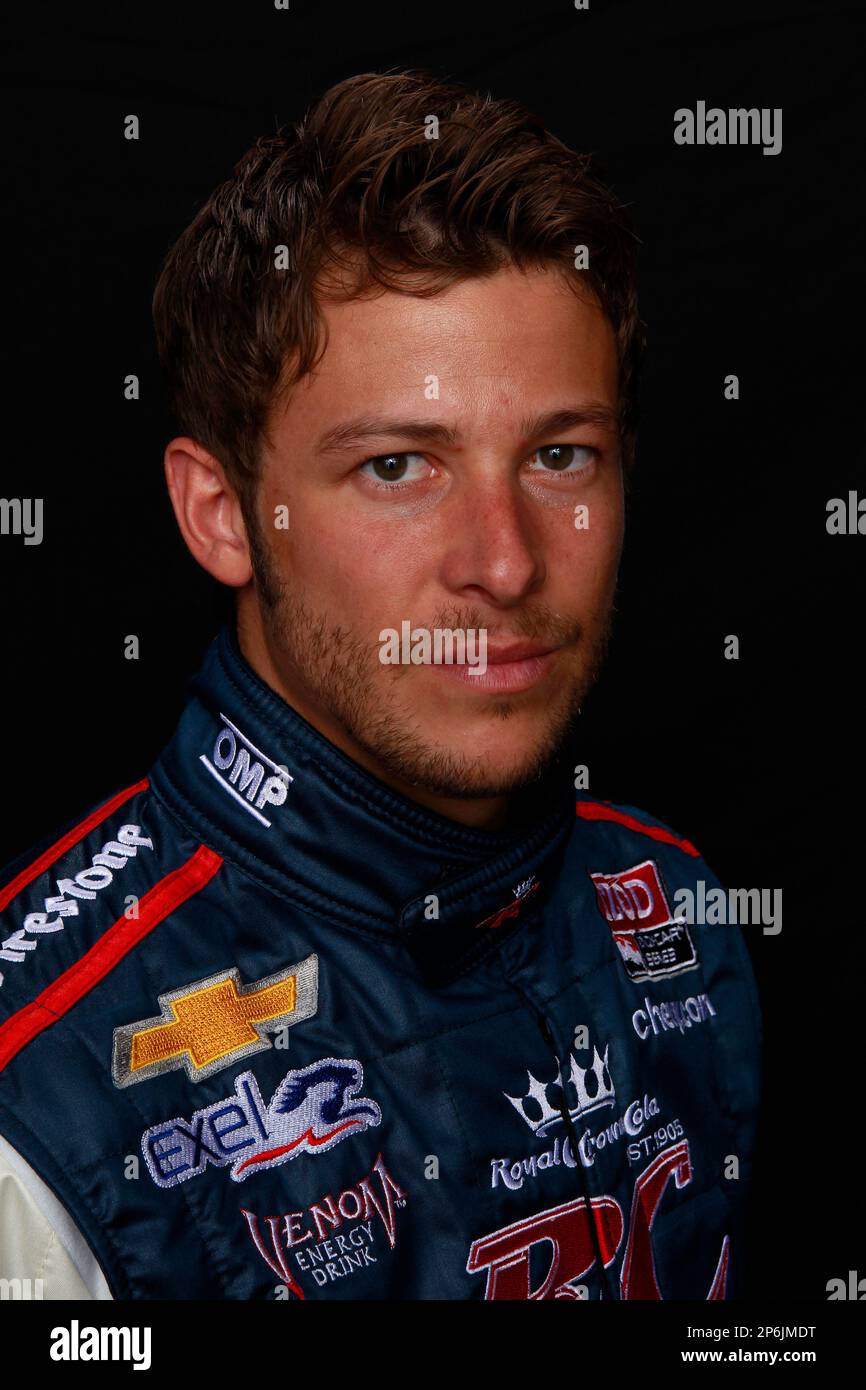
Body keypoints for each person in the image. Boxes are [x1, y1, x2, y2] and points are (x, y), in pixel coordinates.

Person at [0, 68, 761, 1300]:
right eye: (399, 465)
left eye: (560, 455)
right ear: (222, 515)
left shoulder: (671, 911)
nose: (504, 561)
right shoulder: (40, 1107)